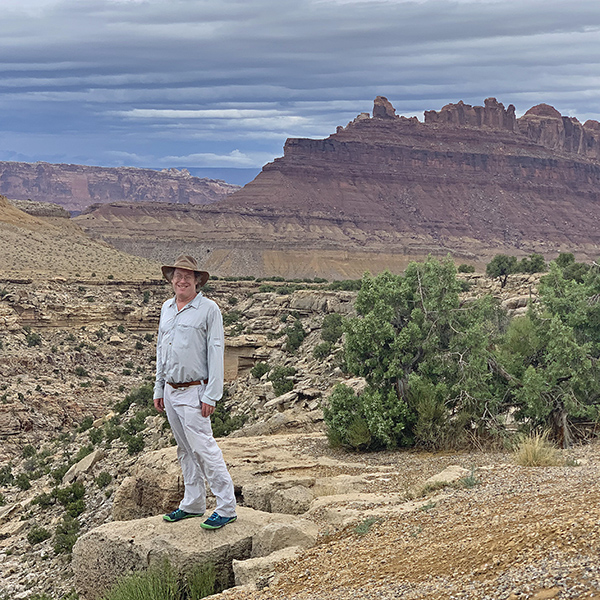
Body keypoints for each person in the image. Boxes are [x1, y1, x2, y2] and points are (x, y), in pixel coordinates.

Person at [153, 254, 237, 529]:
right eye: (177, 275)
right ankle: (193, 503)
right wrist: (158, 387)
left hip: (194, 391)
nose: (181, 280)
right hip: (170, 389)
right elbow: (161, 351)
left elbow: (216, 352)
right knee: (185, 450)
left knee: (204, 448)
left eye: (188, 276)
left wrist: (212, 394)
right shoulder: (166, 308)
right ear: (171, 279)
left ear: (197, 280)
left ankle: (226, 507)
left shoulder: (209, 309)